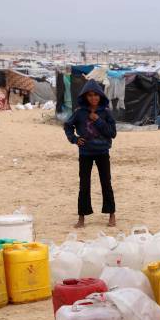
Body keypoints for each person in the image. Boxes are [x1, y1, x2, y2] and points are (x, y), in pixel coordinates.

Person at [63, 79, 117, 228]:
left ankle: (111, 214)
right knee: (84, 185)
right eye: (90, 95)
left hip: (102, 152)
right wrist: (74, 139)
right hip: (85, 153)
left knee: (106, 183)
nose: (94, 98)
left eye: (96, 95)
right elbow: (67, 126)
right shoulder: (79, 113)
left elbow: (112, 133)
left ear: (100, 96)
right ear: (85, 97)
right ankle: (82, 218)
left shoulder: (105, 112)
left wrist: (98, 120)